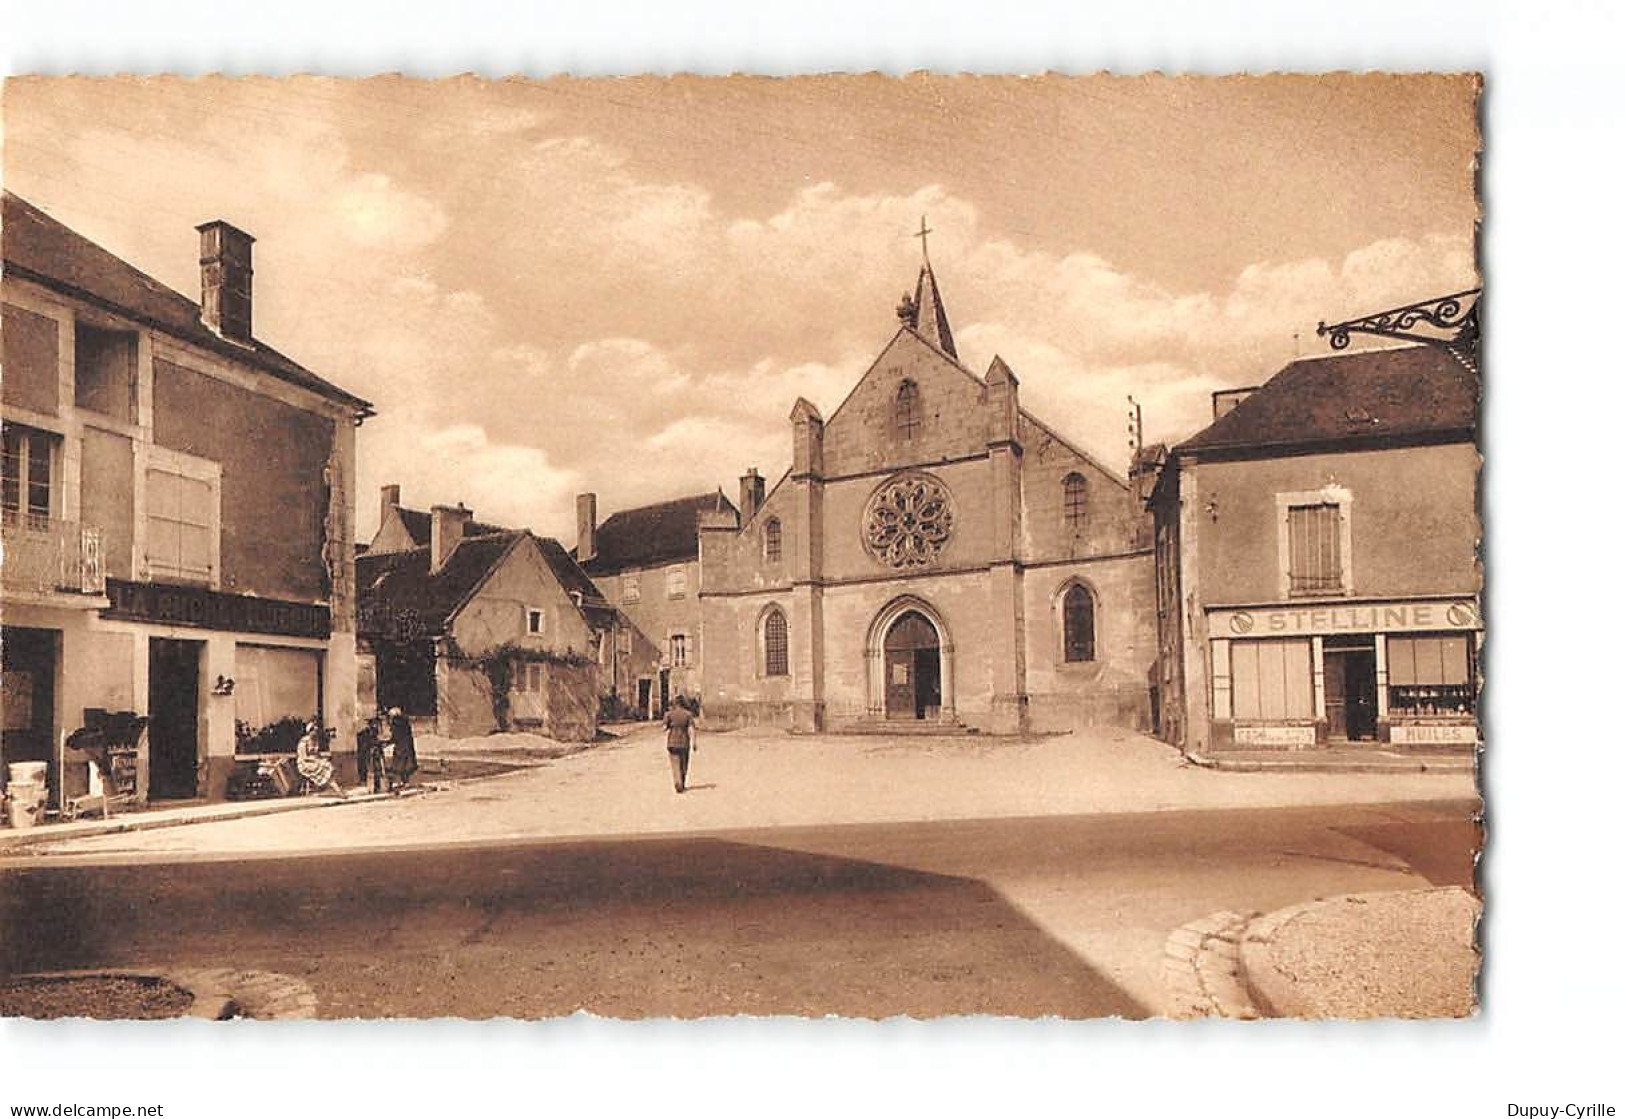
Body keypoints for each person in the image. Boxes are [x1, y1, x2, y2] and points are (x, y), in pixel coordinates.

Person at [296, 720, 347, 798]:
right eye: (313, 730)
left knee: (327, 764)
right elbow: (304, 757)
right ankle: (337, 789)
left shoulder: (315, 741)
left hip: (313, 761)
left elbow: (316, 753)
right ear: (309, 731)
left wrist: (320, 758)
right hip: (304, 764)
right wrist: (315, 759)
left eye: (315, 731)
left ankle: (335, 787)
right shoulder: (303, 742)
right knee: (323, 767)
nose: (315, 732)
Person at [663, 698, 697, 793]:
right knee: (684, 764)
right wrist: (694, 742)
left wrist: (669, 725)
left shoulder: (669, 714)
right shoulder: (688, 714)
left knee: (675, 764)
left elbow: (664, 728)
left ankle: (678, 781)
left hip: (672, 742)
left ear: (675, 704)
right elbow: (691, 729)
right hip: (684, 743)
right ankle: (682, 782)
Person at [386, 707, 418, 792]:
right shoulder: (405, 723)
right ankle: (405, 782)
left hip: (401, 747)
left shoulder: (396, 724)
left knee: (398, 765)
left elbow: (395, 737)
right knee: (406, 766)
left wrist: (386, 743)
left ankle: (395, 783)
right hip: (407, 746)